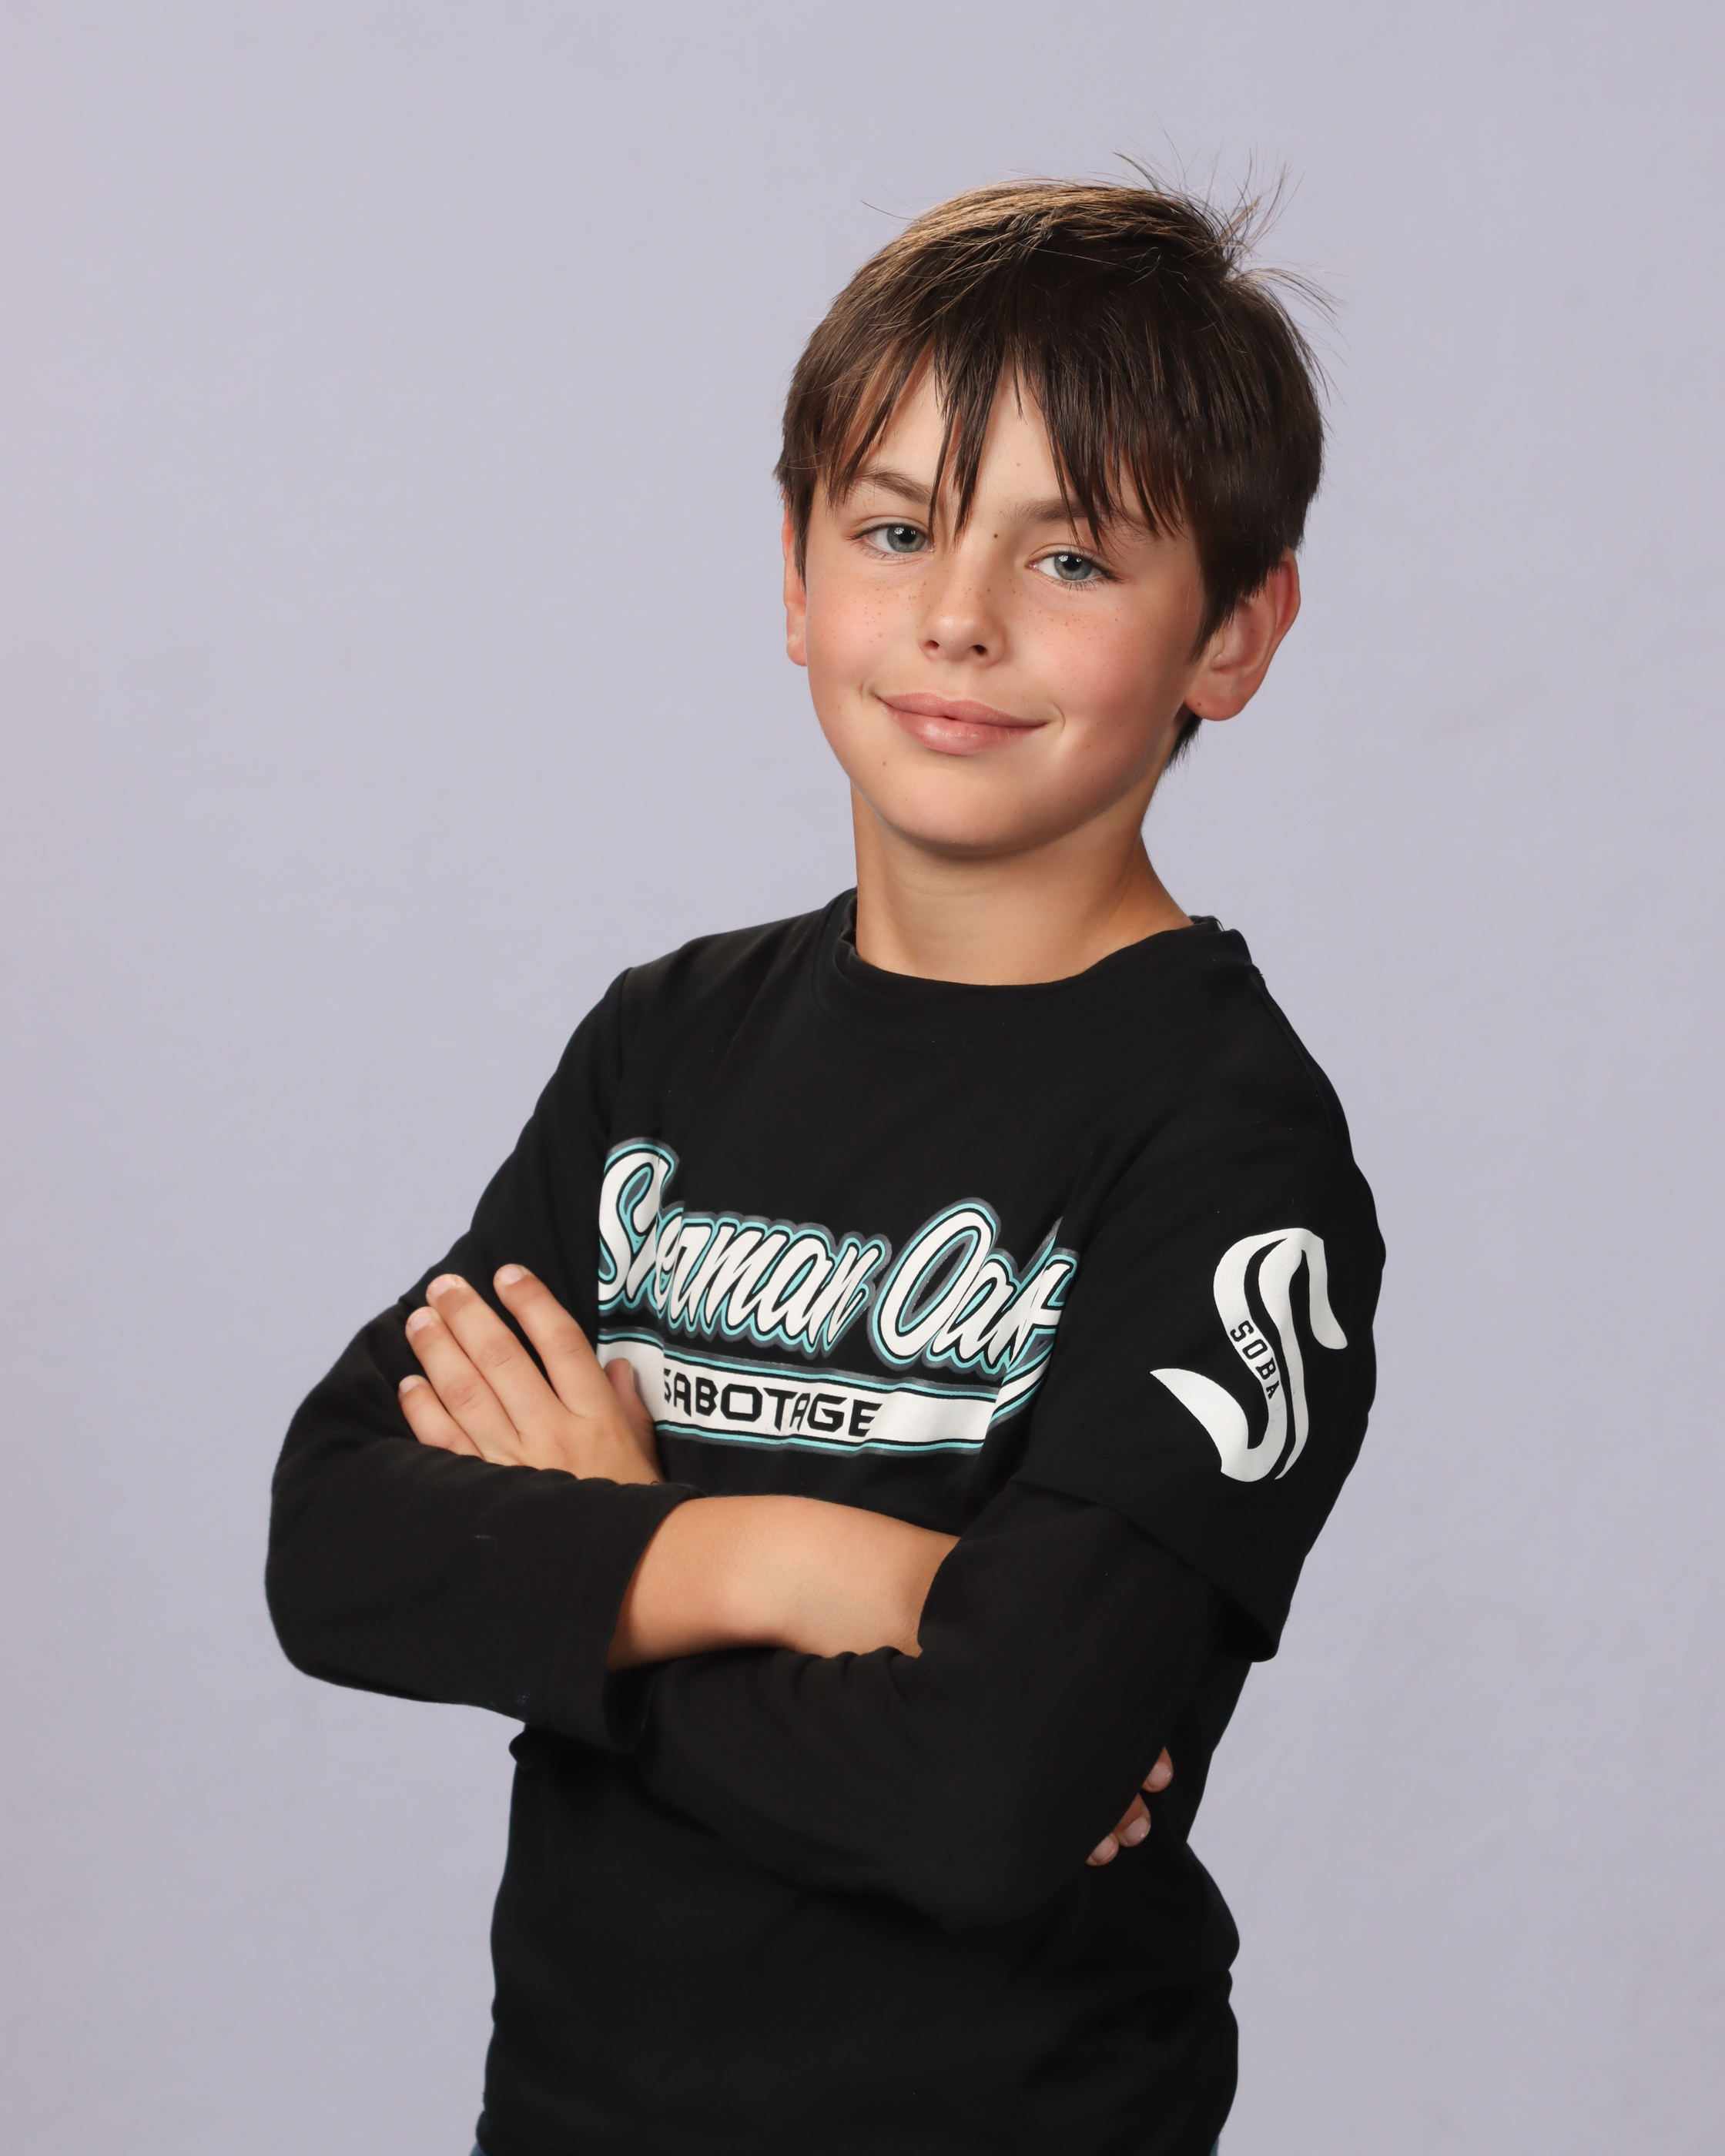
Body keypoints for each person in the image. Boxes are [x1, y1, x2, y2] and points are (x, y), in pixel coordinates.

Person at [267, 173, 1384, 2156]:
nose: (958, 615)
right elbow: (341, 1543)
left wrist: (596, 1563)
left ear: (1231, 632)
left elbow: (991, 1795)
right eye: (893, 529)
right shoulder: (668, 1040)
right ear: (794, 575)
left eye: (1071, 555)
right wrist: (789, 1562)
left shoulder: (1231, 1148)